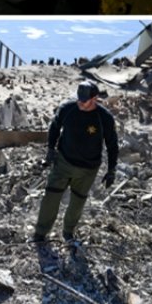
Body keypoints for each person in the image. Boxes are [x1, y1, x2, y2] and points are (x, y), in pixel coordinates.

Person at [33, 80, 118, 243]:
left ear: (94, 99)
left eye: (84, 100)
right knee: (50, 196)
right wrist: (50, 150)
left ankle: (68, 231)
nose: (80, 102)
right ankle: (40, 232)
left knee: (78, 201)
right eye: (78, 98)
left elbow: (112, 144)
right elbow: (55, 126)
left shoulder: (104, 118)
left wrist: (112, 169)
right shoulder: (67, 108)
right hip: (64, 161)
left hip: (88, 169)